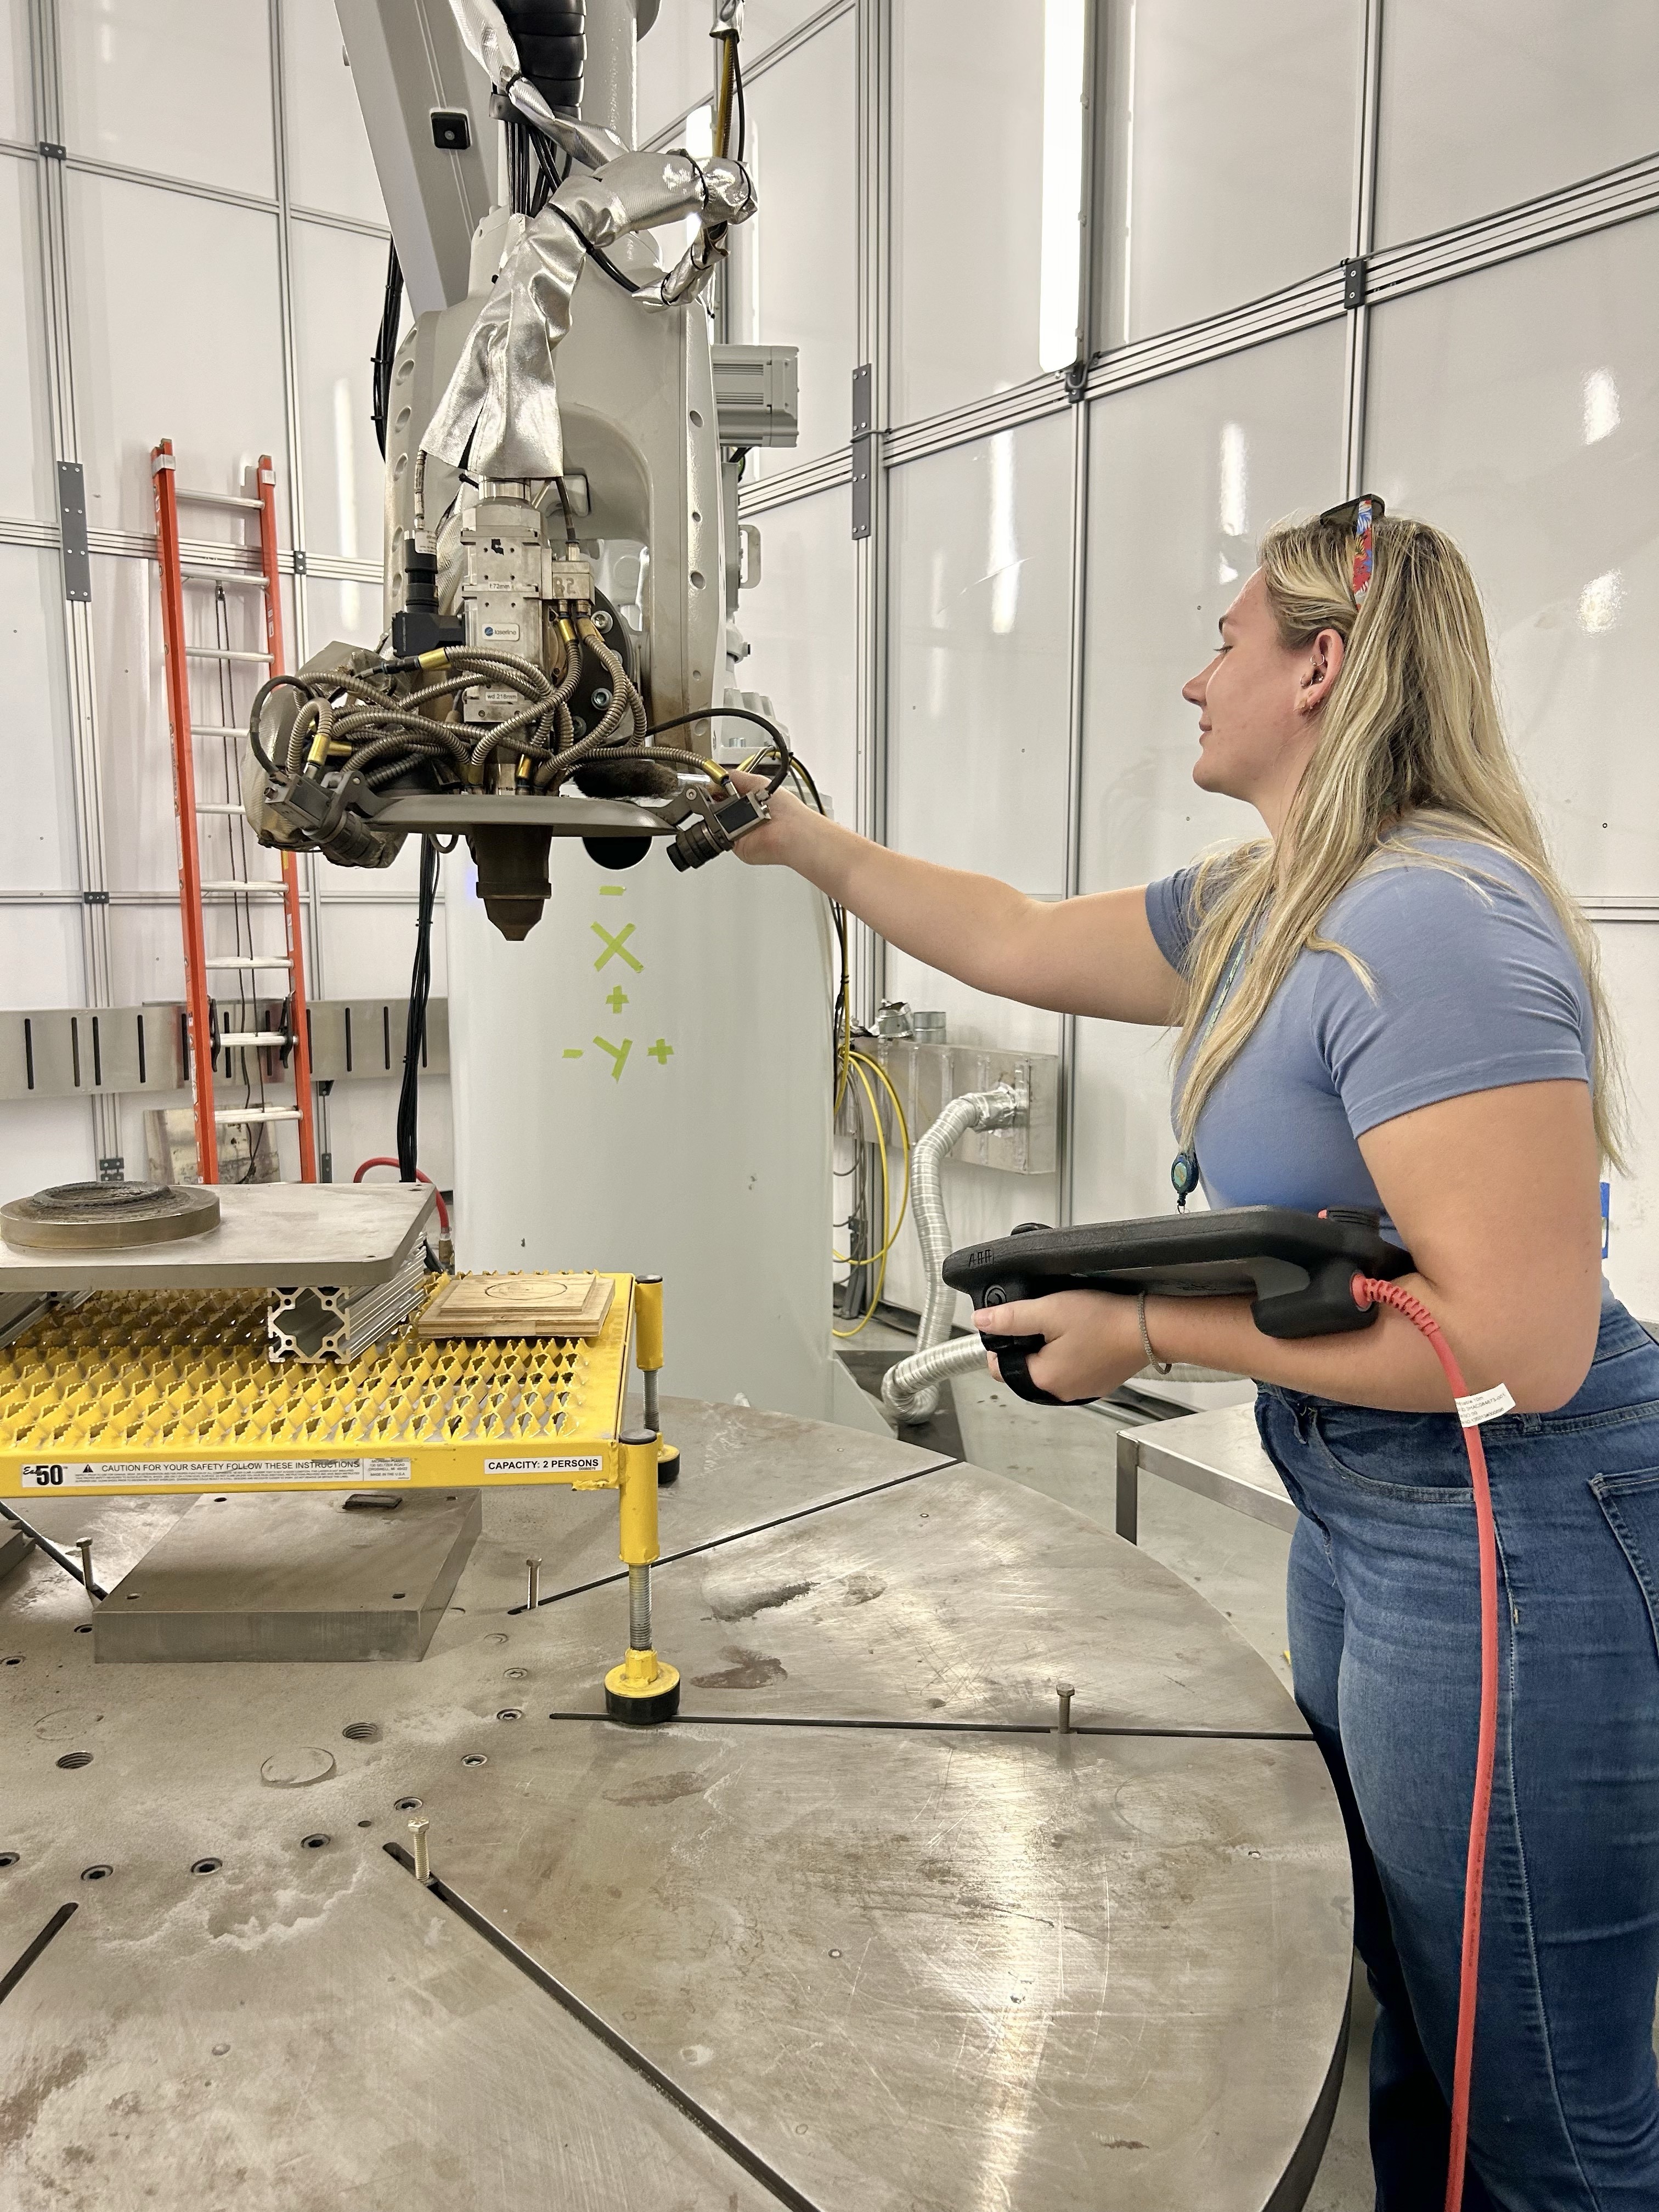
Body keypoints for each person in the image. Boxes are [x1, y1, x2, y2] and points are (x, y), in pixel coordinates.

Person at [737, 500, 1659, 2208]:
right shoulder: (1267, 902)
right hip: (1375, 1497)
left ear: (1319, 668)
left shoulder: (1435, 926)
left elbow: (1513, 1347)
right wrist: (795, 841)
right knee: (1420, 2003)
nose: (1192, 677)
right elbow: (1011, 934)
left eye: (1227, 642)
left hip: (1517, 1527)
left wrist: (1150, 1329)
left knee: (1535, 2085)